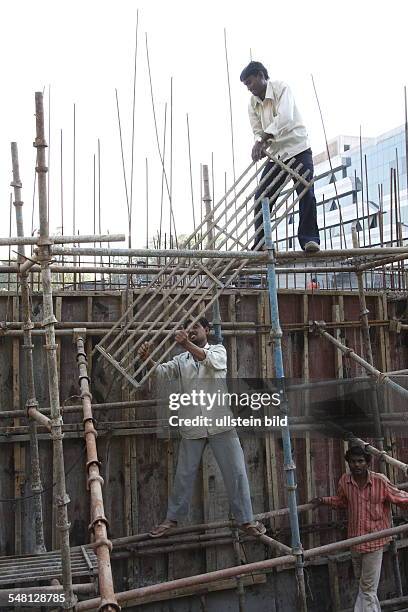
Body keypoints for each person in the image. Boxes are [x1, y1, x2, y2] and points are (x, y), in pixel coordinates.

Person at [138, 317, 265, 538]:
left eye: (195, 326)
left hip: (220, 423)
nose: (191, 330)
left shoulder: (218, 351)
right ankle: (172, 519)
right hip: (193, 424)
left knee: (236, 472)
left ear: (206, 330)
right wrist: (147, 359)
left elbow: (209, 361)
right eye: (187, 327)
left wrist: (186, 343)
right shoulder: (181, 360)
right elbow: (161, 373)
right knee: (183, 475)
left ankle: (246, 520)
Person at [310, 445, 408, 611]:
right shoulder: (345, 482)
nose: (356, 465)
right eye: (353, 462)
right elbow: (342, 501)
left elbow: (401, 498)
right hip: (355, 541)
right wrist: (323, 500)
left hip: (374, 542)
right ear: (348, 463)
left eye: (360, 461)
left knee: (367, 589)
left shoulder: (380, 481)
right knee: (364, 586)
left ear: (368, 463)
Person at [240, 61, 320, 253]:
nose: (249, 88)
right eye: (246, 85)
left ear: (261, 75)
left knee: (305, 191)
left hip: (298, 148)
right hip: (276, 154)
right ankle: (260, 244)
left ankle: (309, 239)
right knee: (261, 196)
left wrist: (263, 140)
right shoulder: (253, 103)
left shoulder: (281, 88)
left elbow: (285, 117)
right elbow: (258, 130)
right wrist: (261, 144)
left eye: (250, 82)